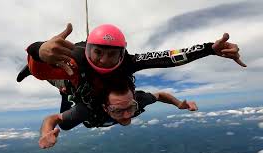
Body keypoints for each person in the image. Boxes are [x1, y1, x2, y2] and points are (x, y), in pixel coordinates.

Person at [17, 23, 245, 125]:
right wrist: (38, 52)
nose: (104, 60)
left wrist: (210, 49)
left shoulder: (129, 64)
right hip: (77, 82)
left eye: (112, 54)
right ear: (88, 50)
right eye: (97, 53)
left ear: (122, 53)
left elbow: (168, 57)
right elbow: (41, 71)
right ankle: (61, 83)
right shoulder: (78, 58)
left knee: (67, 95)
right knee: (61, 79)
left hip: (92, 96)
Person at [38, 77, 198, 149]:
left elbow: (160, 95)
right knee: (65, 120)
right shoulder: (88, 109)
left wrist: (179, 105)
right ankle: (61, 87)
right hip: (87, 112)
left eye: (130, 107)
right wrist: (46, 132)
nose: (127, 115)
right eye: (117, 110)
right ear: (105, 107)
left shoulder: (139, 100)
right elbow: (53, 118)